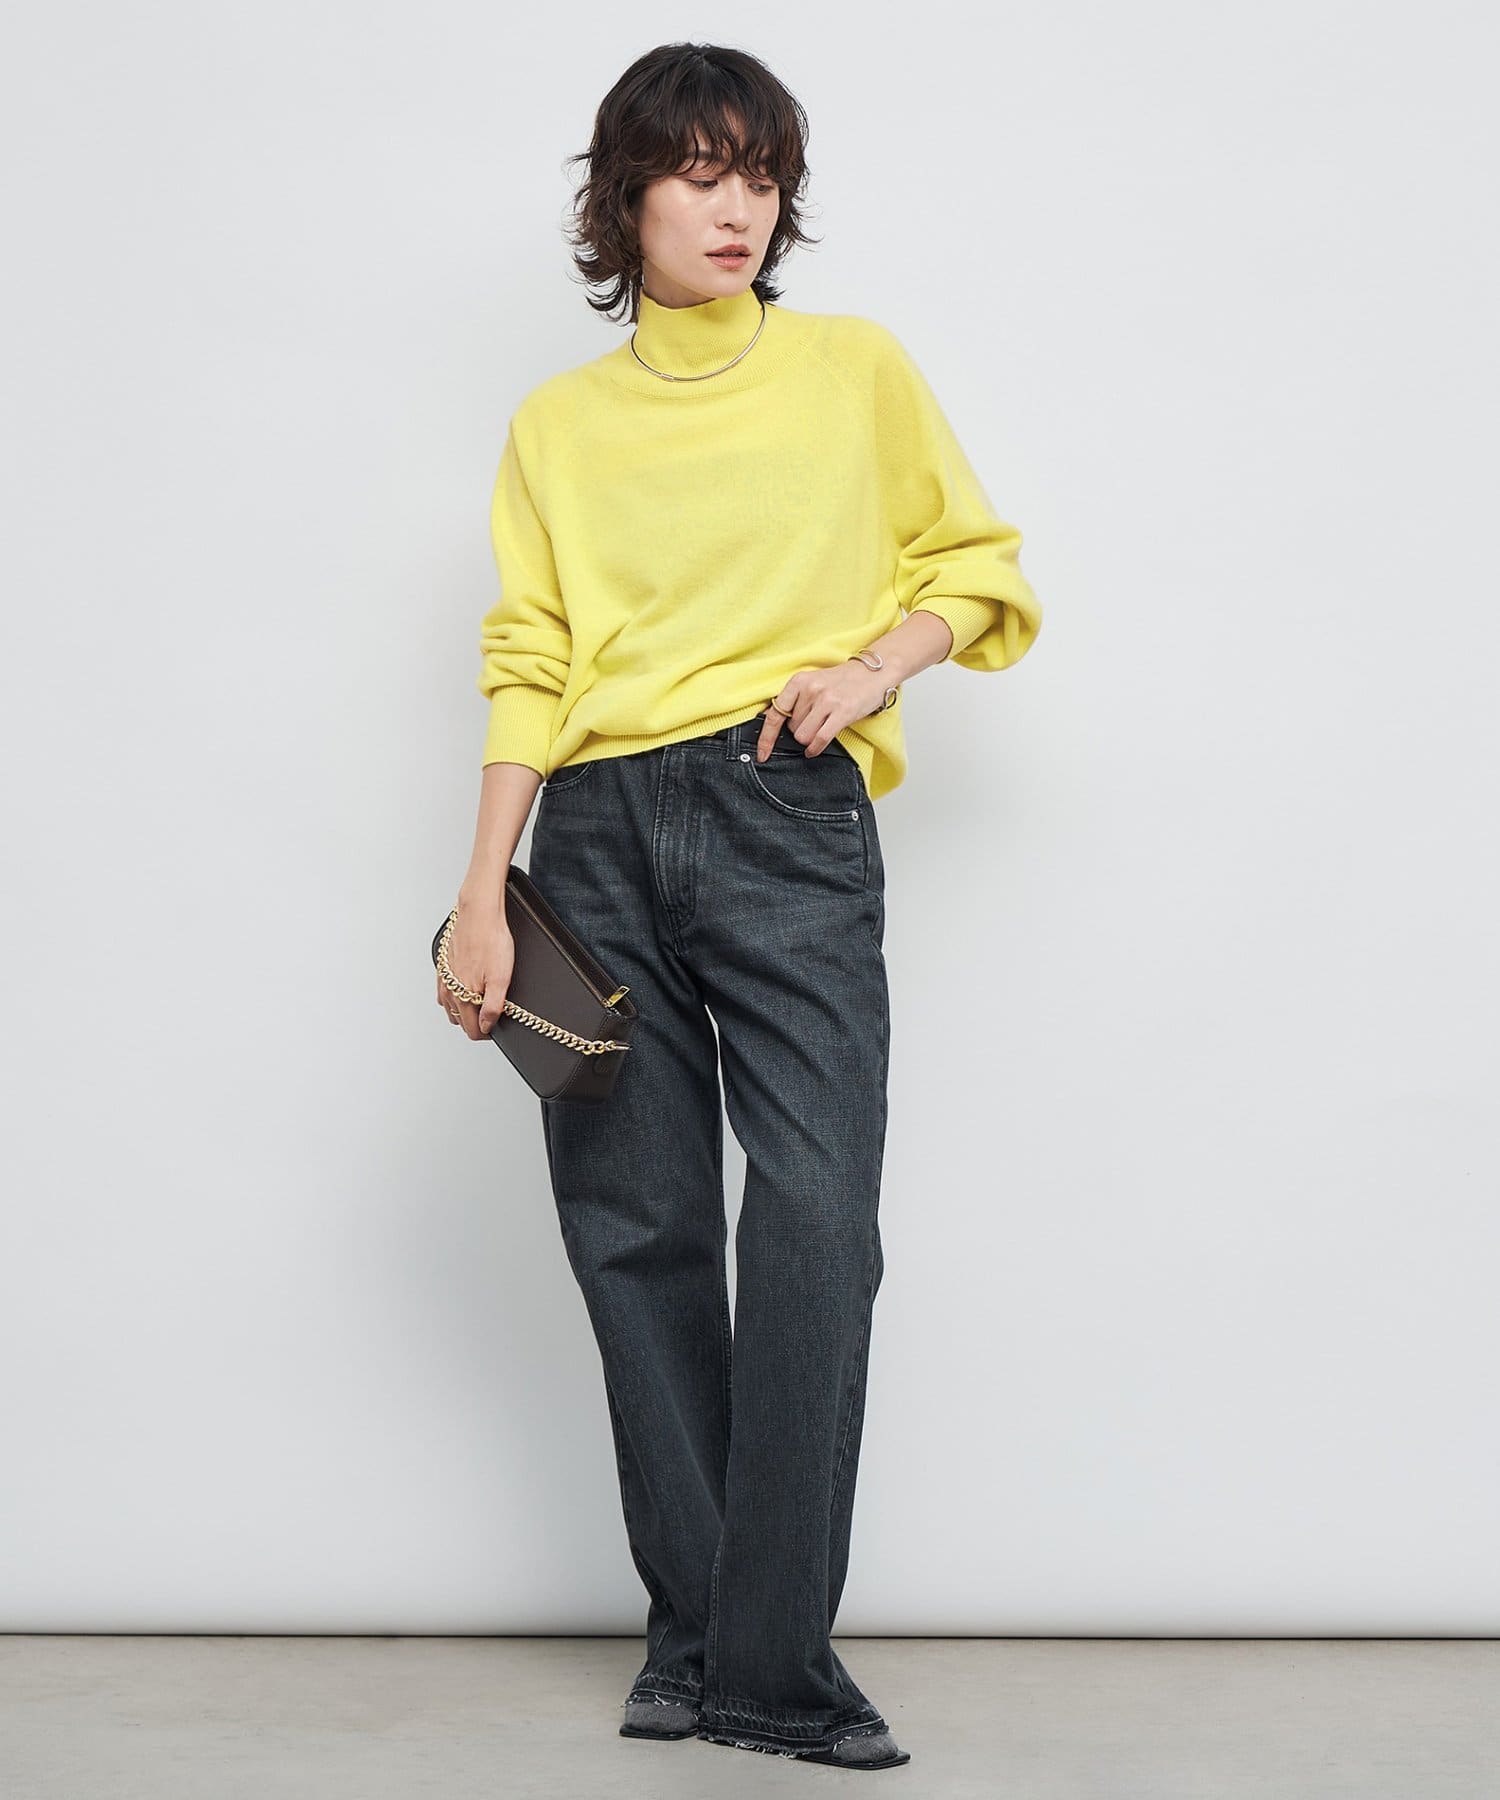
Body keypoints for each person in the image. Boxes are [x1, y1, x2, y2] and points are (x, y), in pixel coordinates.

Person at [438, 42, 1042, 1772]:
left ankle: (769, 1666)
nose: (737, 209)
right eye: (700, 174)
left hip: (785, 810)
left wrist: (874, 666)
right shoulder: (560, 423)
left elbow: (977, 566)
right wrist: (484, 892)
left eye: (761, 176)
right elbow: (533, 653)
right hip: (597, 832)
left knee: (814, 1224)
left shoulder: (854, 370)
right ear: (624, 198)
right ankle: (698, 1639)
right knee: (633, 1232)